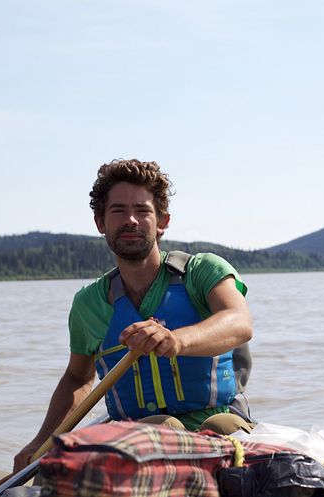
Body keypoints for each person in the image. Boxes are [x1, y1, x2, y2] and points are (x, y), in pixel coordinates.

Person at [13, 159, 253, 472]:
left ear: (162, 221)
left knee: (187, 428)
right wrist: (40, 442)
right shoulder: (89, 303)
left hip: (219, 425)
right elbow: (77, 377)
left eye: (142, 210)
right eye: (118, 211)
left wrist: (176, 340)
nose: (131, 220)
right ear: (100, 222)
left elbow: (239, 323)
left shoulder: (202, 272)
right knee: (153, 430)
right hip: (136, 439)